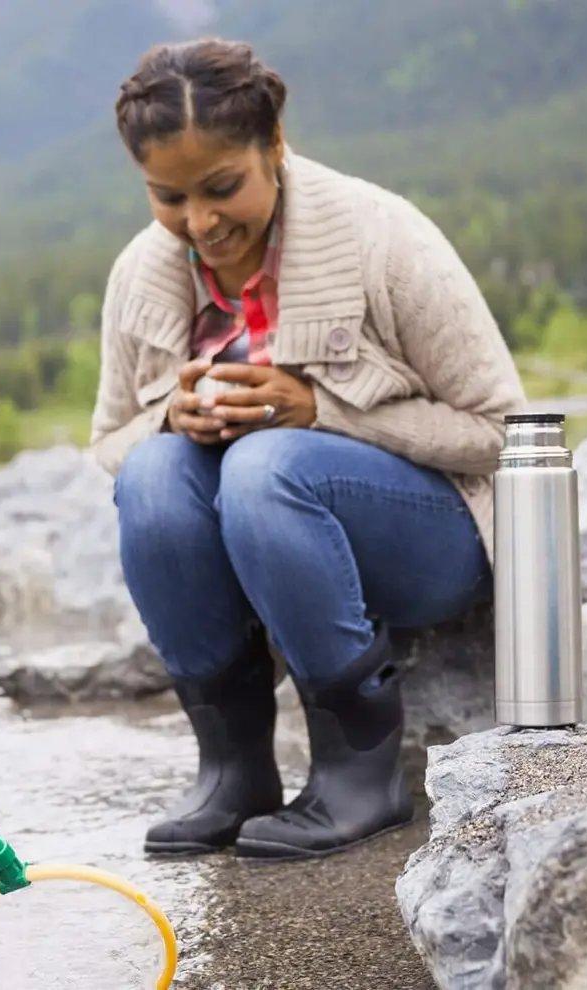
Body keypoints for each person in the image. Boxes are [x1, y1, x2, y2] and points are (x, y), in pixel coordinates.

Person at [93, 39, 525, 860]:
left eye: (222, 188)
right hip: (263, 551)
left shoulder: (381, 235)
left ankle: (362, 772)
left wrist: (320, 409)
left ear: (276, 145)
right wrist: (172, 420)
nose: (200, 223)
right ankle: (234, 769)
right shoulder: (141, 274)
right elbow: (108, 441)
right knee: (152, 471)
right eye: (167, 196)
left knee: (265, 464)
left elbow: (500, 431)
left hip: (431, 545)